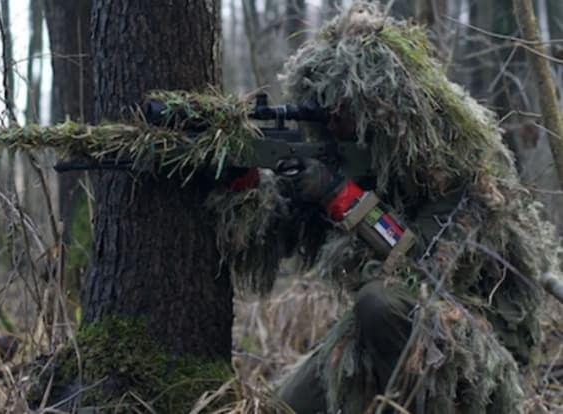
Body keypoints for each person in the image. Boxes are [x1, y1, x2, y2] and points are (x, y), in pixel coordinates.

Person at [218, 2, 562, 413]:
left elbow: (421, 264)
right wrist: (244, 177)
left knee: (379, 302)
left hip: (480, 346)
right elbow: (275, 236)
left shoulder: (459, 164)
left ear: (383, 106)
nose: (335, 123)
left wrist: (338, 193)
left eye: (346, 111)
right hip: (387, 331)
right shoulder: (350, 155)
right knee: (283, 408)